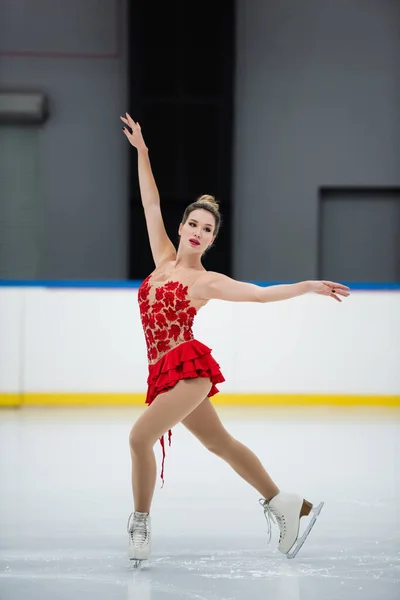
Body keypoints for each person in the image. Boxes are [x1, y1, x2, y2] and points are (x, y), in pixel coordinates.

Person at [120, 113, 350, 566]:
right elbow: (150, 204)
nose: (199, 232)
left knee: (138, 439)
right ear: (183, 226)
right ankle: (283, 503)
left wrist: (305, 286)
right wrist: (143, 152)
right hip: (163, 373)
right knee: (220, 444)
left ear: (210, 239)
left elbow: (262, 296)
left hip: (188, 373)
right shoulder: (163, 258)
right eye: (194, 224)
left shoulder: (207, 282)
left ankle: (140, 523)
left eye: (208, 229)